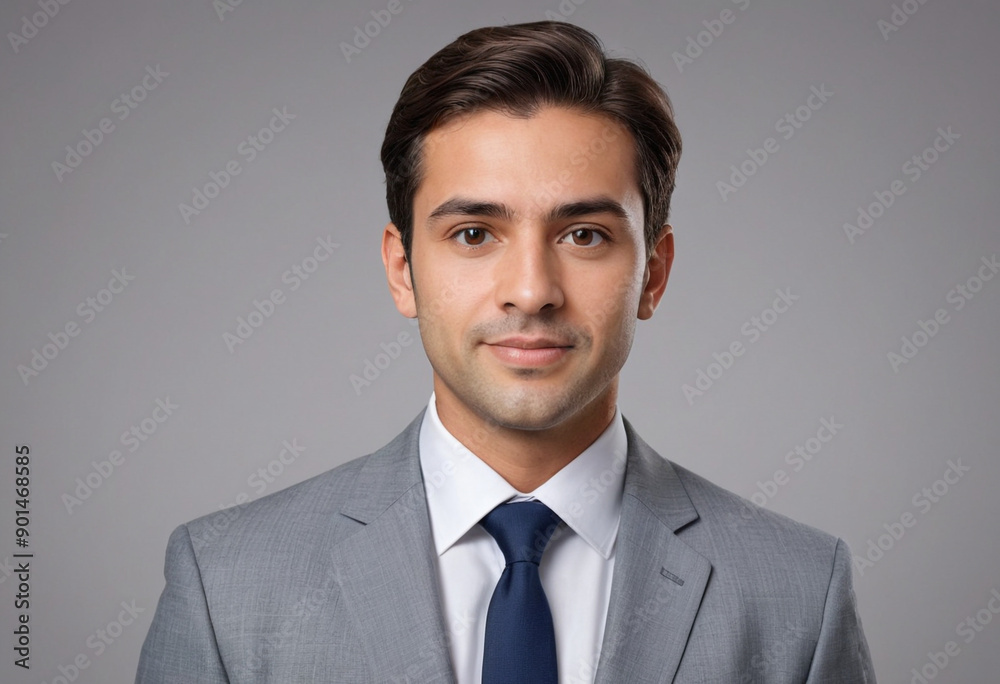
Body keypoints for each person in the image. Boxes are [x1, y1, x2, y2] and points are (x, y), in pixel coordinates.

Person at [135, 20, 876, 683]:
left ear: (653, 273)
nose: (531, 291)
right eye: (474, 234)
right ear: (403, 271)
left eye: (584, 234)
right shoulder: (227, 584)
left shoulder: (799, 595)